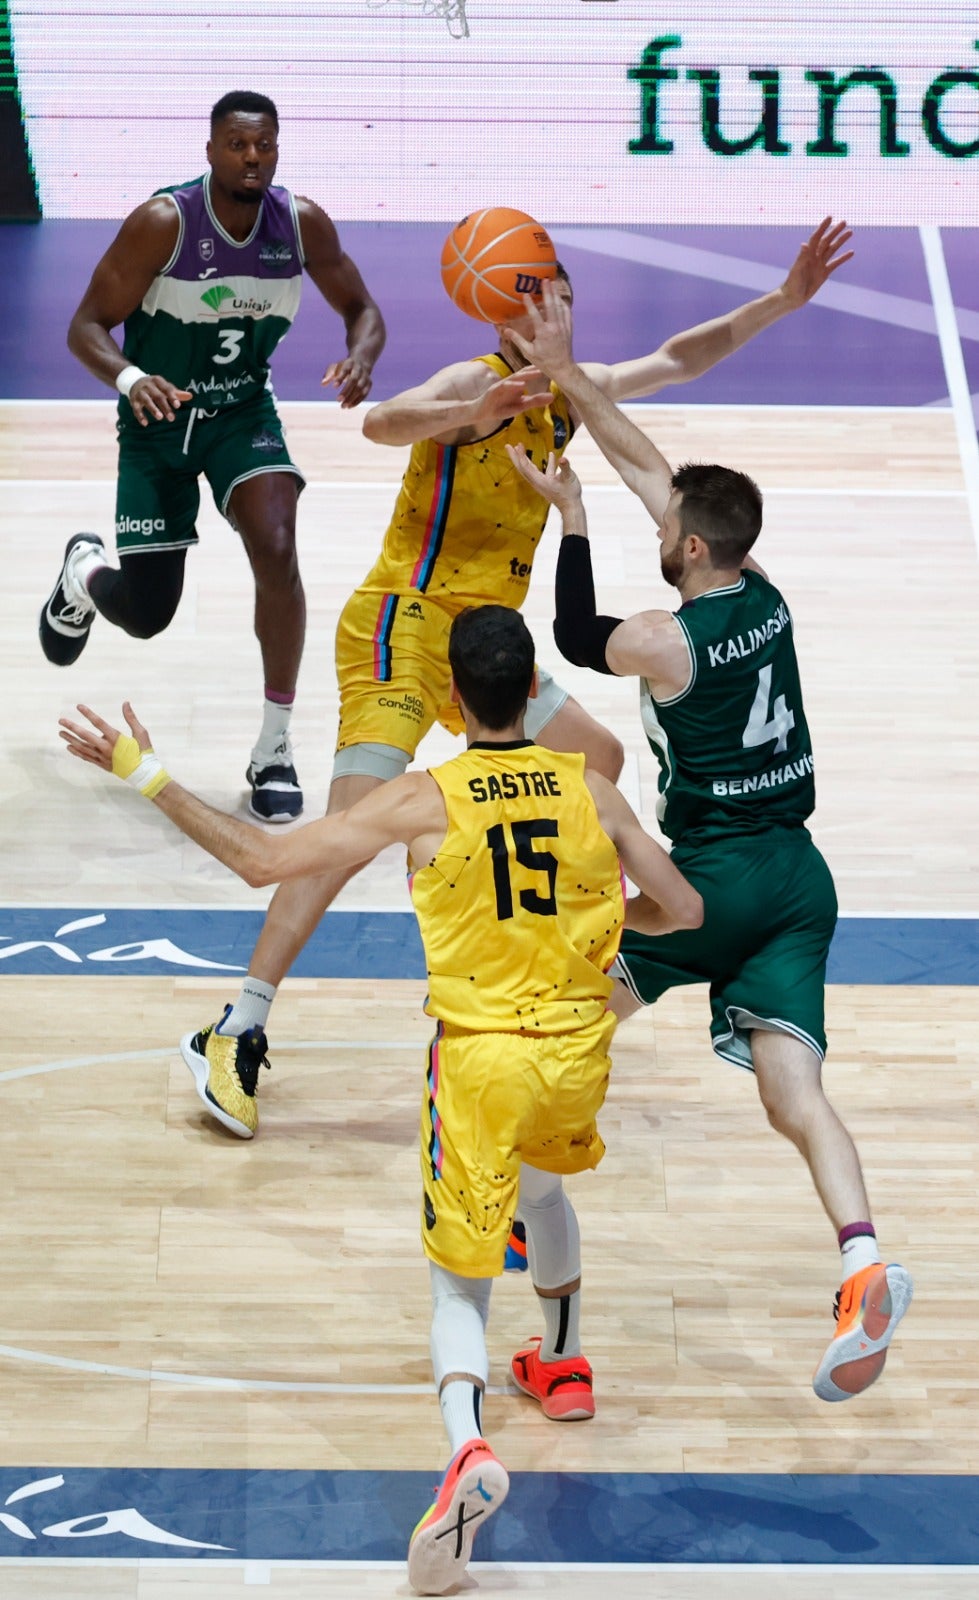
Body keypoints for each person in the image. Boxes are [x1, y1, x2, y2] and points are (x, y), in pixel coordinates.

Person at [58, 604, 704, 1596]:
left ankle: (463, 1447)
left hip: (482, 1059)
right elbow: (684, 909)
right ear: (533, 690)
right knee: (544, 1192)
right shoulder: (594, 790)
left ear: (451, 699)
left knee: (458, 1277)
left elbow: (261, 861)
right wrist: (606, 930)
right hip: (576, 1049)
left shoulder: (421, 798)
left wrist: (143, 772)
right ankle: (564, 1365)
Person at [180, 217, 854, 1140]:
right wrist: (467, 418)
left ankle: (550, 918)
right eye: (546, 295)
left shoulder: (571, 394)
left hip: (489, 643)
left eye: (566, 296)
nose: (562, 310)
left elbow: (679, 357)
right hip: (403, 627)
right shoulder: (476, 382)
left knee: (602, 760)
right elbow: (382, 421)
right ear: (510, 309)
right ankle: (237, 1024)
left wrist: (781, 300)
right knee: (343, 838)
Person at [501, 274, 913, 1406]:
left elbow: (577, 633)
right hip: (799, 878)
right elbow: (652, 466)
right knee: (795, 1095)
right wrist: (573, 372)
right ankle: (861, 1260)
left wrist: (569, 515)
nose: (658, 521)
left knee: (569, 1004)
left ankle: (531, 1213)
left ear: (683, 549)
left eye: (663, 527)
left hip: (712, 879)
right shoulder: (765, 595)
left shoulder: (667, 642)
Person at [38, 89, 386, 823]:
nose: (252, 157)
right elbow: (86, 327)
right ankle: (82, 571)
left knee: (277, 543)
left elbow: (363, 309)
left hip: (239, 414)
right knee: (146, 614)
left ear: (277, 150)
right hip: (158, 420)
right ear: (210, 151)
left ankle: (274, 746)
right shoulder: (164, 223)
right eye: (236, 144)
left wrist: (359, 358)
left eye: (263, 145)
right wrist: (133, 379)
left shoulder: (300, 223)